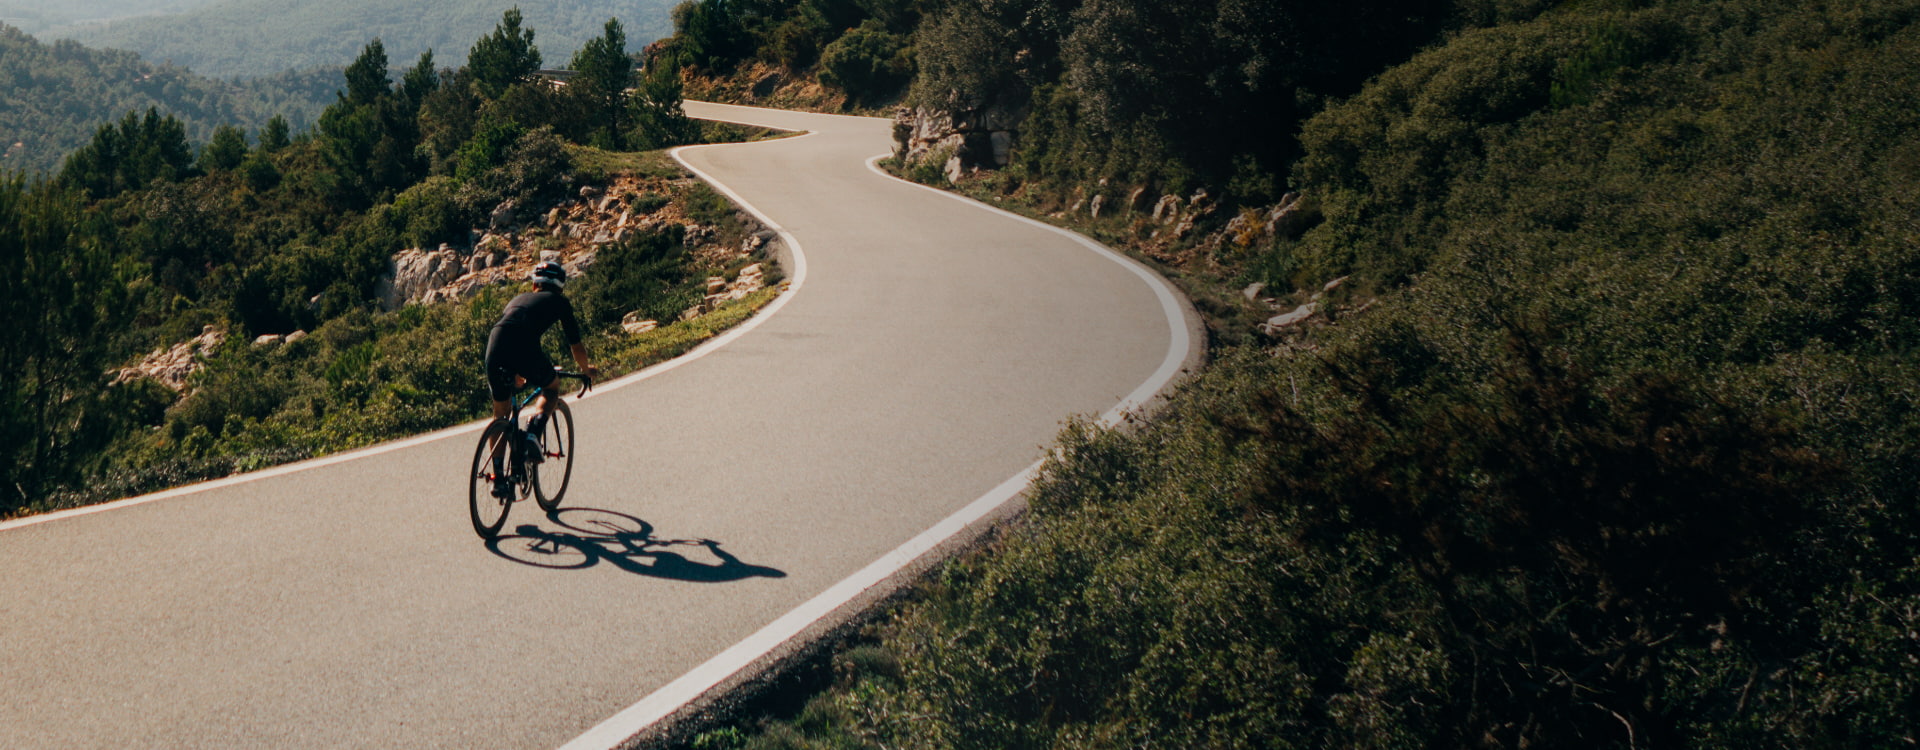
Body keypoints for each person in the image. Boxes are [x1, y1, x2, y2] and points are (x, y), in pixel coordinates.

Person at [485, 261, 598, 438]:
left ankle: (497, 465)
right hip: (522, 344)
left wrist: (515, 370)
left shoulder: (517, 300)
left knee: (501, 414)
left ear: (534, 285)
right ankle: (533, 433)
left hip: (494, 343)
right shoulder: (560, 302)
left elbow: (511, 333)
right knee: (551, 386)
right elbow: (576, 346)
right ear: (560, 289)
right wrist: (586, 369)